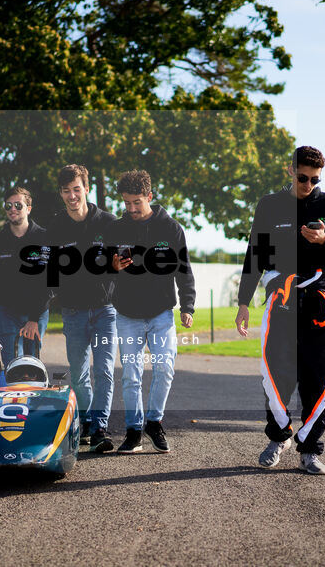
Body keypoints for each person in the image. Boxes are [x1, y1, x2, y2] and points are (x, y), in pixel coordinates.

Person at [235, 146, 325, 475]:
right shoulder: (270, 205)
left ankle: (310, 450)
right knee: (277, 371)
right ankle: (278, 437)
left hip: (318, 298)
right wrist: (243, 302)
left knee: (318, 374)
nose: (308, 185)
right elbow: (254, 255)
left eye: (315, 179)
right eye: (302, 177)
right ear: (291, 171)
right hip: (280, 298)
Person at [109, 170, 195, 454]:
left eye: (136, 202)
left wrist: (188, 305)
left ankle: (154, 422)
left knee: (164, 368)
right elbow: (100, 263)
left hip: (161, 313)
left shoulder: (171, 229)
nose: (131, 209)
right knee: (131, 374)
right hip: (127, 314)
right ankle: (134, 431)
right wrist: (112, 266)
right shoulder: (118, 228)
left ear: (149, 196)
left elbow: (184, 270)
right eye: (127, 203)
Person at [50, 164, 118, 452]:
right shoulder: (55, 226)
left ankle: (100, 427)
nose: (72, 196)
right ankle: (88, 422)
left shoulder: (109, 222)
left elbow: (122, 265)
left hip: (106, 310)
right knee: (78, 373)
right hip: (73, 312)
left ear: (86, 189)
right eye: (66, 191)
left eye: (76, 189)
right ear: (61, 193)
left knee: (103, 370)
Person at [0, 187, 51, 364]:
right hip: (6, 313)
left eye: (18, 205)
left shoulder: (44, 238)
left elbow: (50, 281)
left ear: (28, 208)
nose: (13, 209)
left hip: (36, 312)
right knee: (13, 364)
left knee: (32, 365)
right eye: (8, 205)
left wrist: (34, 318)